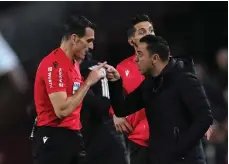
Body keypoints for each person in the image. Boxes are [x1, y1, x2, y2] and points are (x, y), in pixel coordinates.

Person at [106, 35, 213, 164]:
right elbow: (122, 109)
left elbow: (204, 117)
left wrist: (178, 150)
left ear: (155, 58)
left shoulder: (184, 79)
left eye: (140, 54)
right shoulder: (149, 84)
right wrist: (115, 83)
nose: (136, 59)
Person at [33, 15, 106, 164]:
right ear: (74, 38)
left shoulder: (73, 64)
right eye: (88, 41)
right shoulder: (54, 65)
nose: (92, 47)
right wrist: (89, 82)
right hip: (53, 140)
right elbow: (62, 111)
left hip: (73, 137)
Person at [109, 14, 154, 164]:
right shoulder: (122, 68)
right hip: (139, 142)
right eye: (142, 32)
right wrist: (115, 114)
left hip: (168, 139)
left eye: (151, 30)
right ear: (131, 41)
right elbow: (113, 97)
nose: (149, 34)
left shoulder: (169, 62)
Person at [80, 53, 129, 164]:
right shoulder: (65, 71)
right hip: (92, 131)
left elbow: (104, 105)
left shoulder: (94, 69)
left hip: (105, 124)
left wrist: (82, 94)